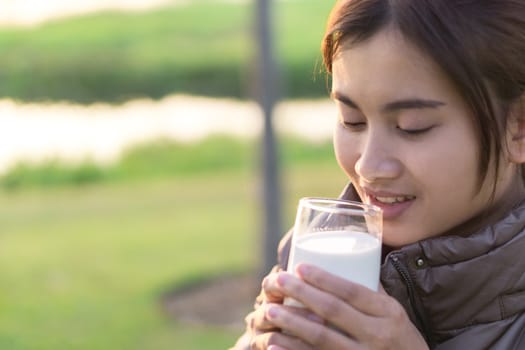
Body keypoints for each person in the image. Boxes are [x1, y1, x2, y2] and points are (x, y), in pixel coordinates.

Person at [232, 0, 525, 348]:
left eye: (411, 127)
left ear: (518, 128)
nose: (367, 166)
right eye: (351, 120)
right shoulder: (310, 254)